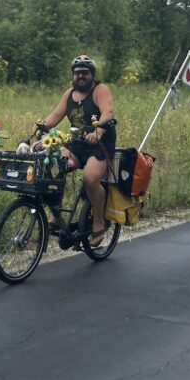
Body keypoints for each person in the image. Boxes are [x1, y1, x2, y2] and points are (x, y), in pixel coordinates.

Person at [38, 55, 116, 247]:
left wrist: (98, 132)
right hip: (77, 144)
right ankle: (56, 214)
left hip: (100, 145)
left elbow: (108, 113)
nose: (80, 76)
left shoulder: (100, 90)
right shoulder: (69, 94)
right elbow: (55, 116)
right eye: (77, 73)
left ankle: (98, 221)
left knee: (90, 179)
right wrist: (41, 126)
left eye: (85, 73)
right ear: (73, 75)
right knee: (52, 165)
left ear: (92, 74)